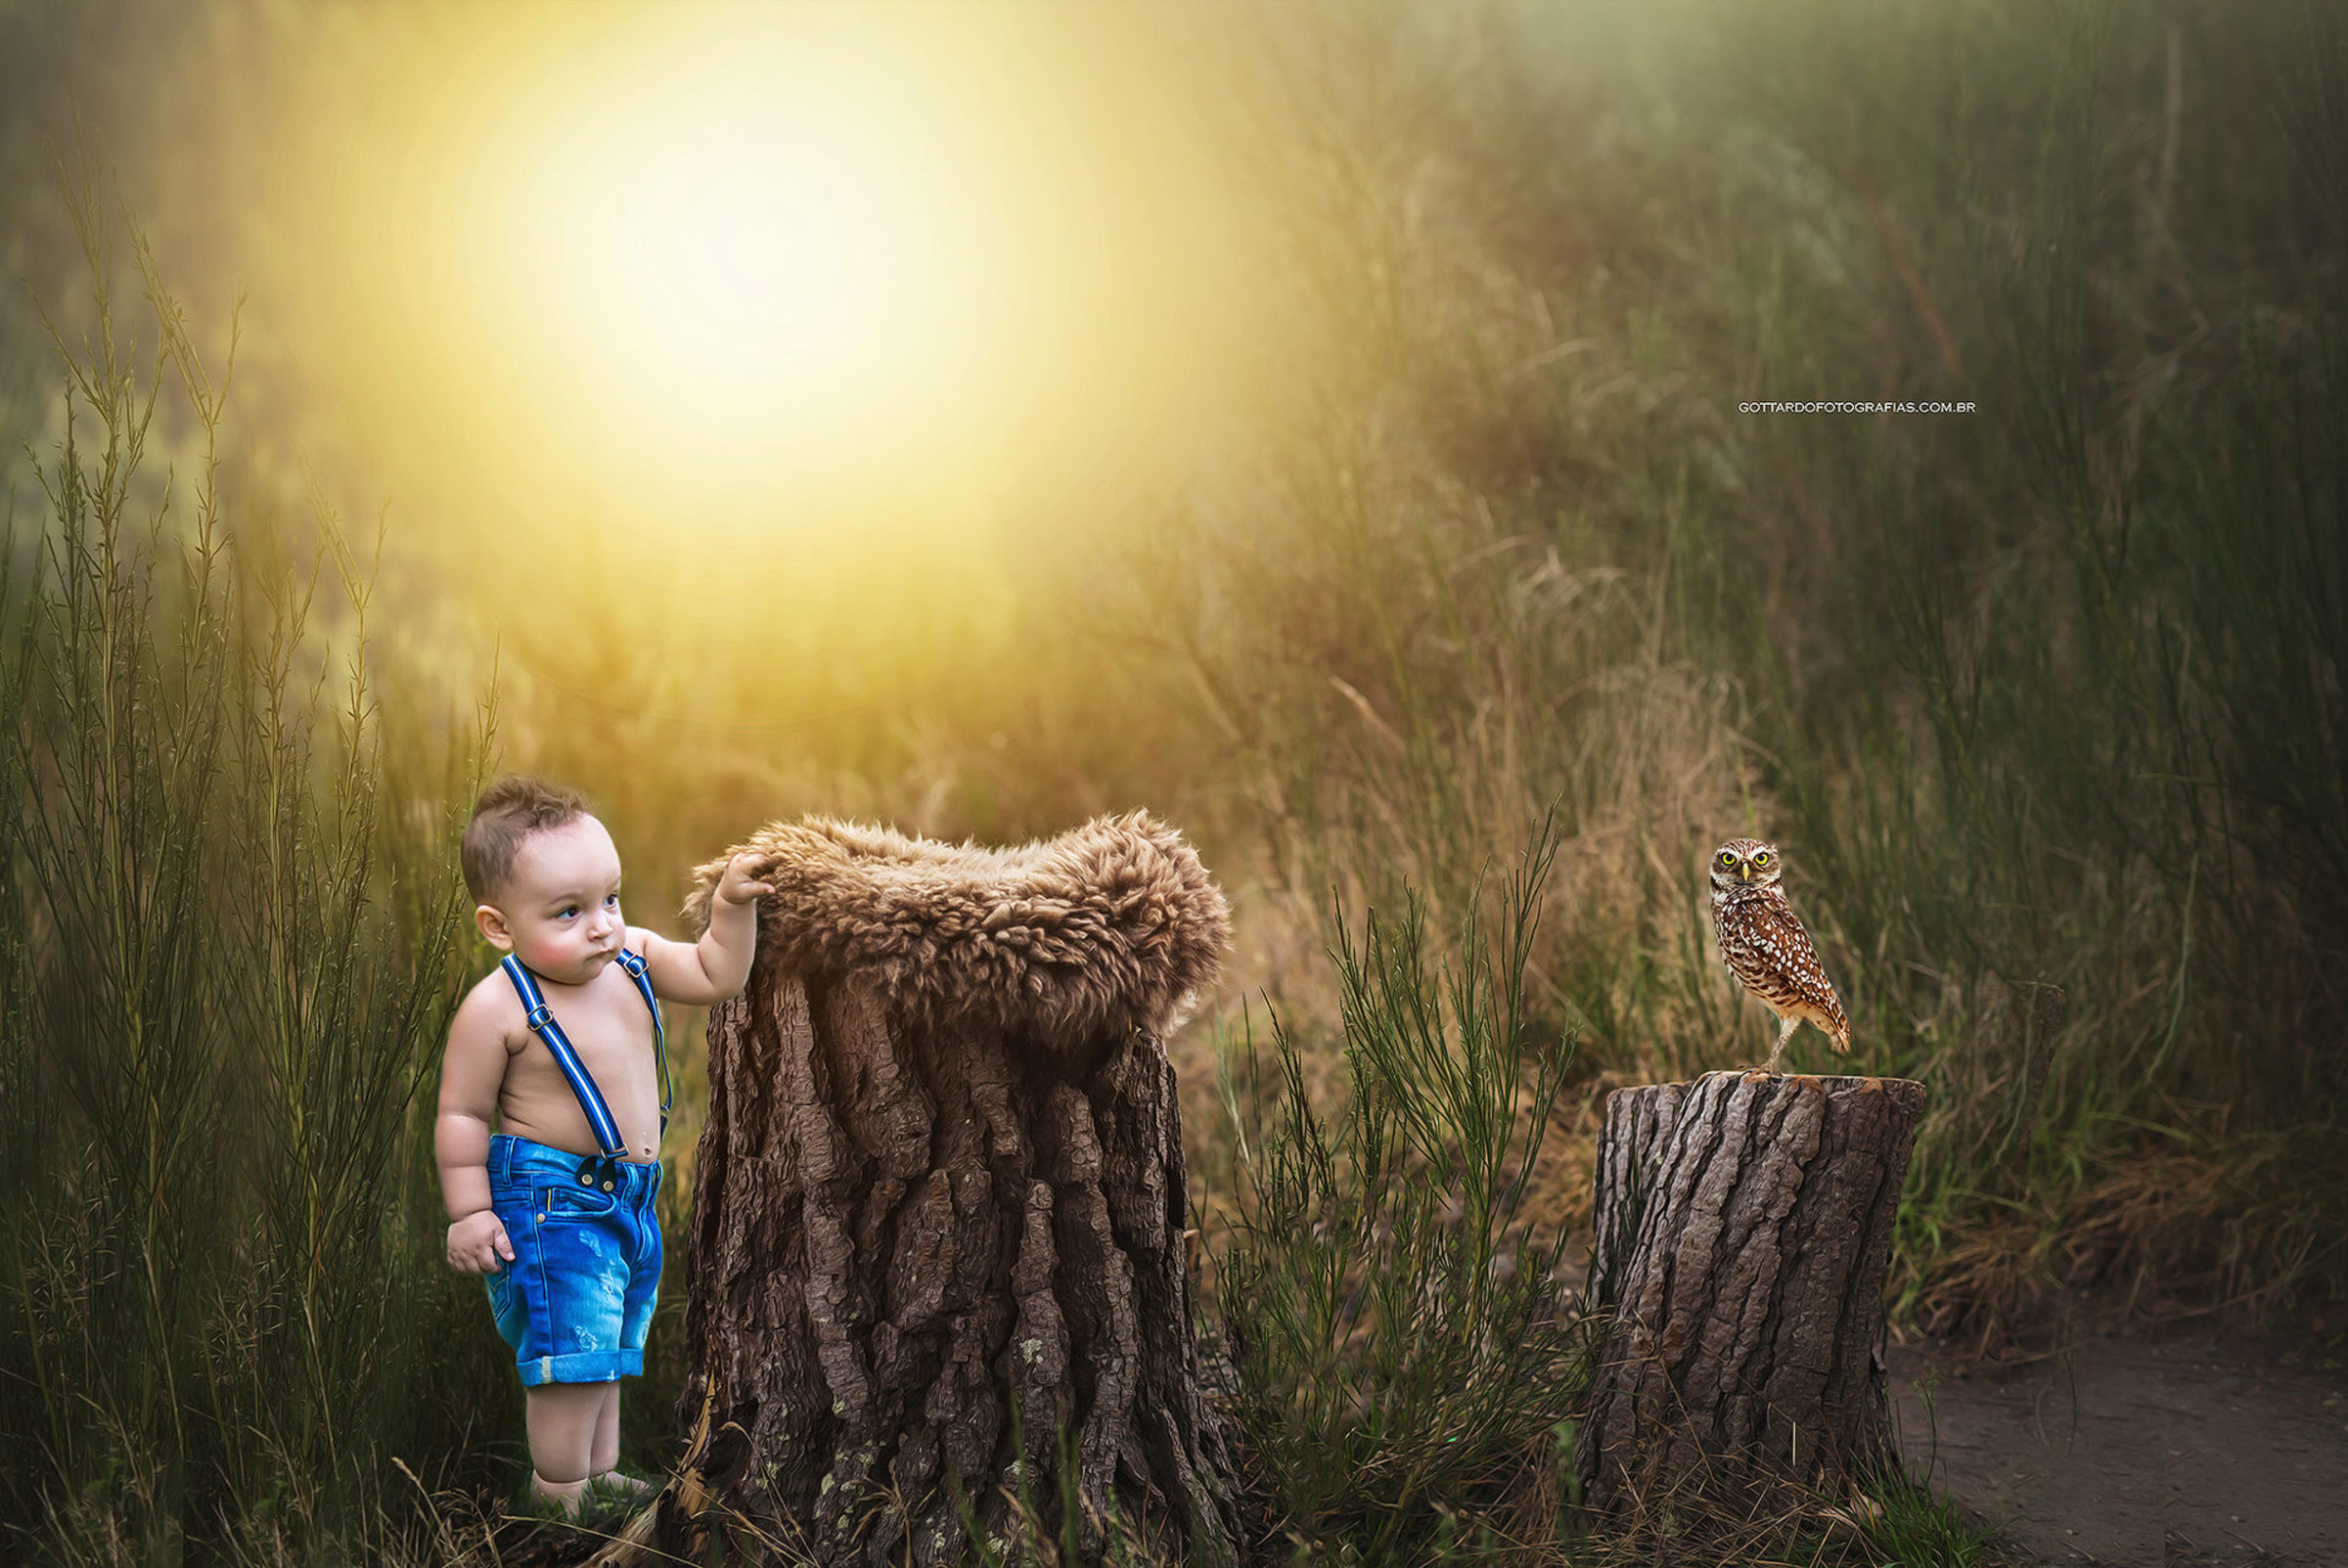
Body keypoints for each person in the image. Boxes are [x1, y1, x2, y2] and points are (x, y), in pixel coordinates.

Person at [436, 775, 772, 1515]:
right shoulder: (496, 1009)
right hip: (551, 1205)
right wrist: (469, 1211)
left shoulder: (633, 956)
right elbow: (461, 1114)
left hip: (627, 1199)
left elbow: (716, 972)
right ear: (498, 926)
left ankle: (601, 1473)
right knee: (572, 1358)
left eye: (611, 899)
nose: (602, 926)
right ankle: (556, 1496)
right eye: (569, 911)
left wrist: (730, 905)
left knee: (610, 1344)